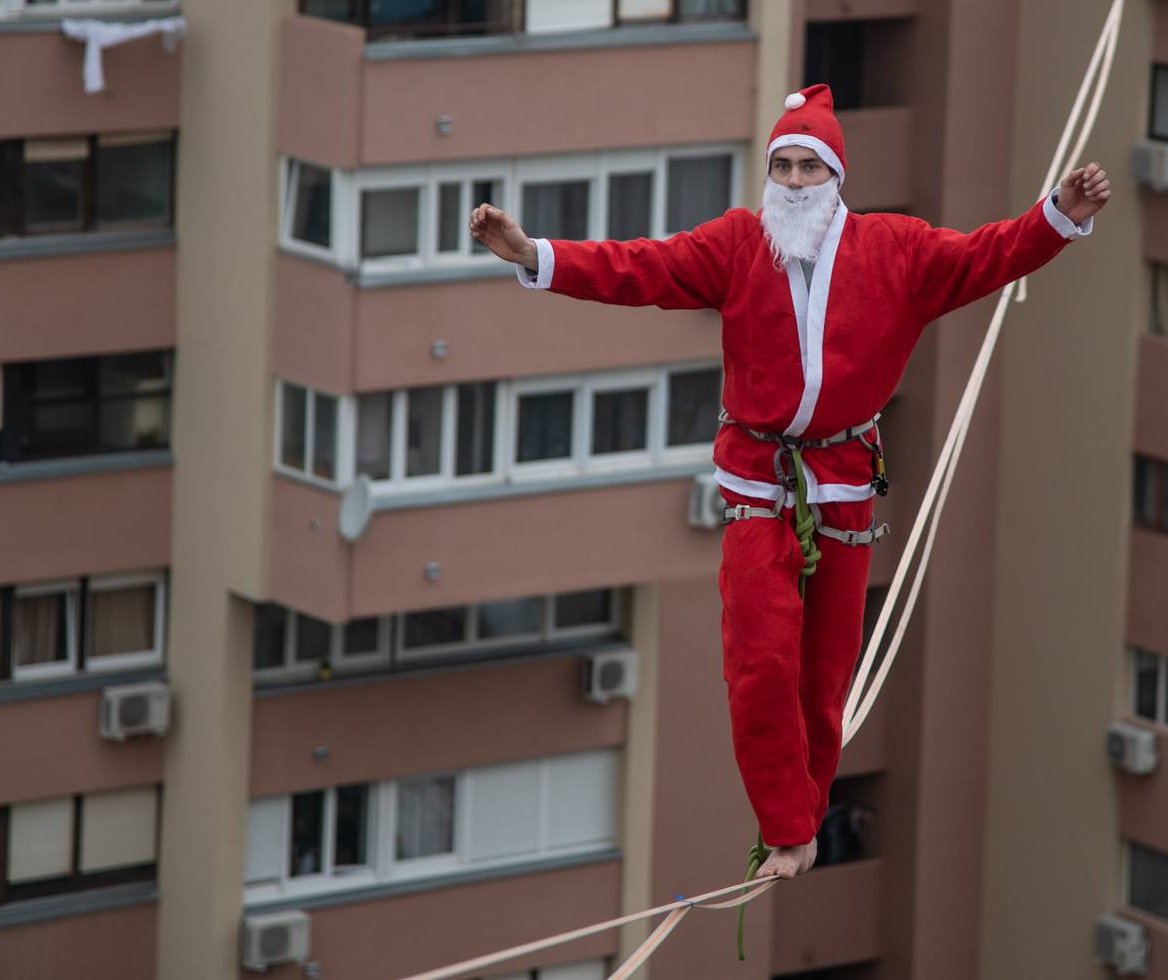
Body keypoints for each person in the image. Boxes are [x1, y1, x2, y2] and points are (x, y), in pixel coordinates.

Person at [470, 85, 1110, 881]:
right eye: (785, 166)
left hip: (842, 483)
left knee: (824, 670)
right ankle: (787, 827)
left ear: (837, 177)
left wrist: (1059, 213)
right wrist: (534, 254)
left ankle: (804, 818)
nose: (798, 181)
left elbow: (988, 255)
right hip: (758, 478)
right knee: (761, 659)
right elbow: (643, 267)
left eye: (811, 166)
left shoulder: (896, 249)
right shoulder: (739, 245)